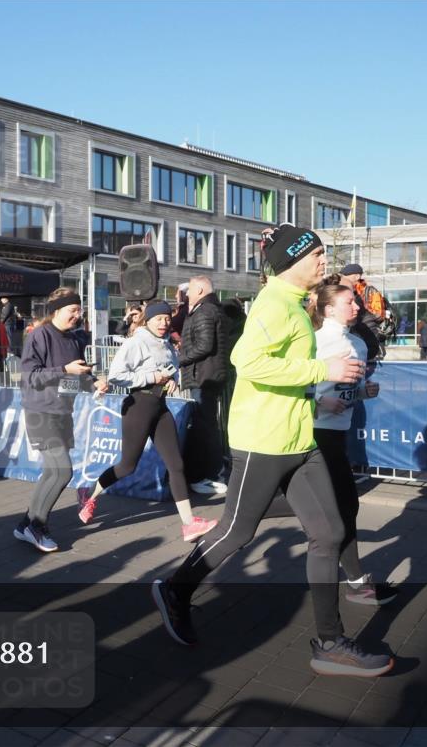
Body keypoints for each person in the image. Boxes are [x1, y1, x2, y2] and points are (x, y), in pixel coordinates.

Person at [152, 225, 394, 677]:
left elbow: (286, 368)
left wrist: (315, 394)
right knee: (236, 531)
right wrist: (322, 369)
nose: (323, 261)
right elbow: (248, 362)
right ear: (292, 260)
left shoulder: (295, 304)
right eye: (317, 254)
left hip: (300, 440)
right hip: (263, 440)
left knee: (329, 532)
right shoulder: (273, 303)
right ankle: (175, 589)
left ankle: (330, 643)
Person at [77, 301, 218, 541]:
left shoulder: (167, 344)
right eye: (158, 319)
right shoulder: (136, 342)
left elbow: (172, 370)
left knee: (176, 464)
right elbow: (116, 375)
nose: (164, 323)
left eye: (167, 318)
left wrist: (172, 380)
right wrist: (152, 376)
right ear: (148, 320)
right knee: (127, 466)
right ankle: (89, 495)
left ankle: (189, 524)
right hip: (138, 406)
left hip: (160, 407)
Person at [310, 283, 397, 604]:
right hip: (314, 432)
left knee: (341, 506)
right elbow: (295, 381)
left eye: (356, 301)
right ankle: (357, 583)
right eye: (349, 302)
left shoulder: (357, 343)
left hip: (339, 432)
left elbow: (347, 388)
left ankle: (356, 580)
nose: (358, 306)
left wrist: (362, 392)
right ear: (329, 309)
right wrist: (319, 401)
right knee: (343, 505)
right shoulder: (315, 340)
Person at [15, 288, 107, 552]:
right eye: (72, 310)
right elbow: (31, 377)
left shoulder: (74, 339)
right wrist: (64, 369)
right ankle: (37, 525)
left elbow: (74, 379)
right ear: (56, 311)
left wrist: (93, 383)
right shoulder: (40, 335)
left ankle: (25, 525)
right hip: (40, 411)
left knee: (51, 471)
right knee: (63, 471)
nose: (77, 315)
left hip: (63, 412)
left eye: (79, 310)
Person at [177, 276, 231, 496]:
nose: (187, 294)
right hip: (206, 375)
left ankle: (211, 476)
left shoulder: (205, 311)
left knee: (204, 428)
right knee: (206, 426)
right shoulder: (211, 309)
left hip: (203, 376)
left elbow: (204, 345)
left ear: (199, 290)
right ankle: (212, 474)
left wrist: (178, 359)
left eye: (189, 289)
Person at [339, 265, 383, 361]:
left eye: (345, 277)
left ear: (357, 276)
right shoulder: (351, 290)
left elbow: (377, 314)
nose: (342, 279)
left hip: (366, 334)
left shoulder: (367, 291)